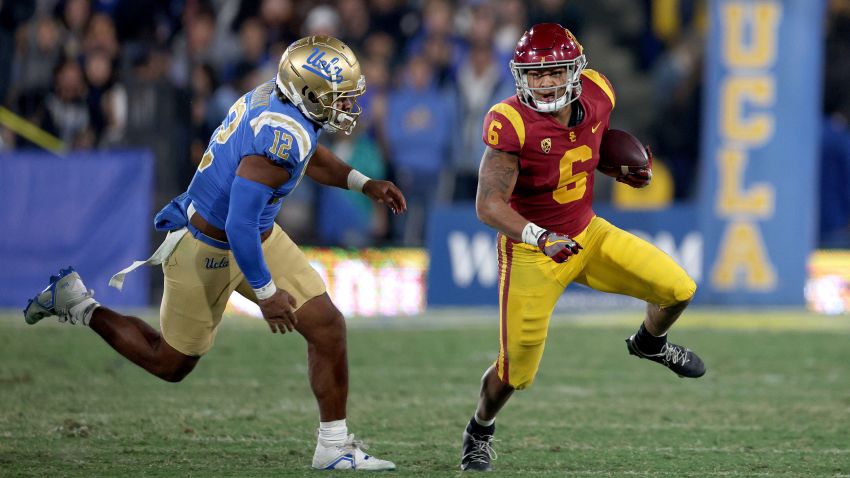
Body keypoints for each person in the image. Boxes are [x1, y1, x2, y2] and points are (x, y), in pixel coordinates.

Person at [23, 35, 405, 472]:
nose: (346, 105)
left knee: (327, 326)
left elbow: (307, 156)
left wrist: (362, 182)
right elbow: (238, 222)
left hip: (255, 233)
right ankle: (78, 303)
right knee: (170, 363)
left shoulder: (280, 106)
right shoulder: (280, 135)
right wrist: (265, 293)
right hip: (204, 246)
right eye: (337, 96)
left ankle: (333, 447)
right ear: (307, 91)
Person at [459, 24, 705, 472]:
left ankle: (649, 343)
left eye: (554, 72)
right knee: (516, 372)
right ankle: (480, 427)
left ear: (575, 72)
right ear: (521, 78)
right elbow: (488, 204)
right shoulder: (510, 120)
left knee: (678, 288)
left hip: (587, 233)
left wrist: (622, 169)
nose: (546, 83)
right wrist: (539, 236)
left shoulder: (598, 92)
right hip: (533, 250)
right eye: (535, 75)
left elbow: (589, 144)